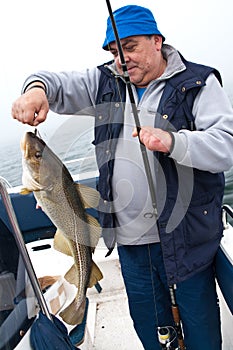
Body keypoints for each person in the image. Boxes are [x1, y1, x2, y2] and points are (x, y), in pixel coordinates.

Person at [11, 4, 233, 350]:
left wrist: (173, 141)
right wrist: (36, 90)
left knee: (202, 332)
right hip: (131, 246)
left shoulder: (198, 83)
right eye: (115, 51)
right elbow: (53, 84)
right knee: (154, 335)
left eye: (130, 47)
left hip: (187, 240)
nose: (122, 59)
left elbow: (225, 145)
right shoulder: (105, 81)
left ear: (157, 41)